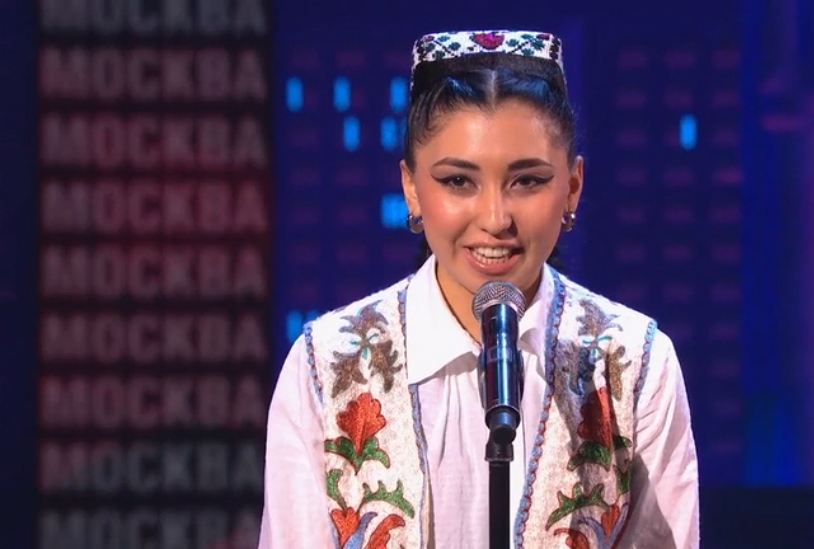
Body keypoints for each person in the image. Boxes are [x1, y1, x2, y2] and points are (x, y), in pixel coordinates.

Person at [258, 29, 699, 549]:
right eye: (458, 182)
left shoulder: (633, 363)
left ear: (572, 187)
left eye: (527, 181)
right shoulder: (327, 365)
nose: (495, 218)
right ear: (411, 188)